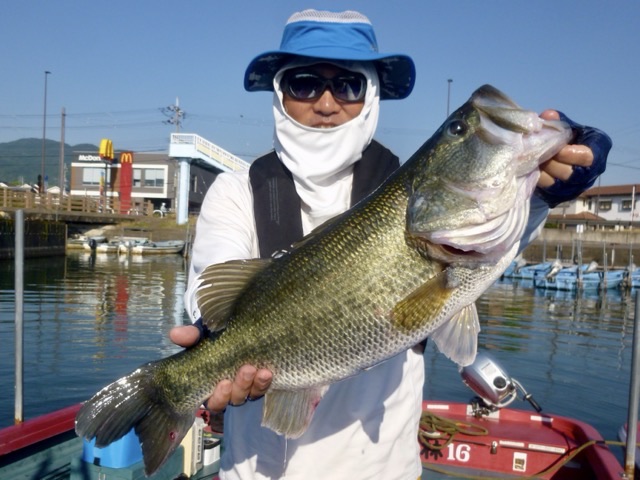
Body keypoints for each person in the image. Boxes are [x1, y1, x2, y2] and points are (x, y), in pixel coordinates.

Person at [170, 9, 611, 480]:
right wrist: (208, 345)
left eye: (348, 85)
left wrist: (547, 189)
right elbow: (210, 288)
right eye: (304, 83)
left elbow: (499, 221)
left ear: (372, 94)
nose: (326, 102)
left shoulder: (408, 189)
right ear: (279, 93)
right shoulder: (237, 190)